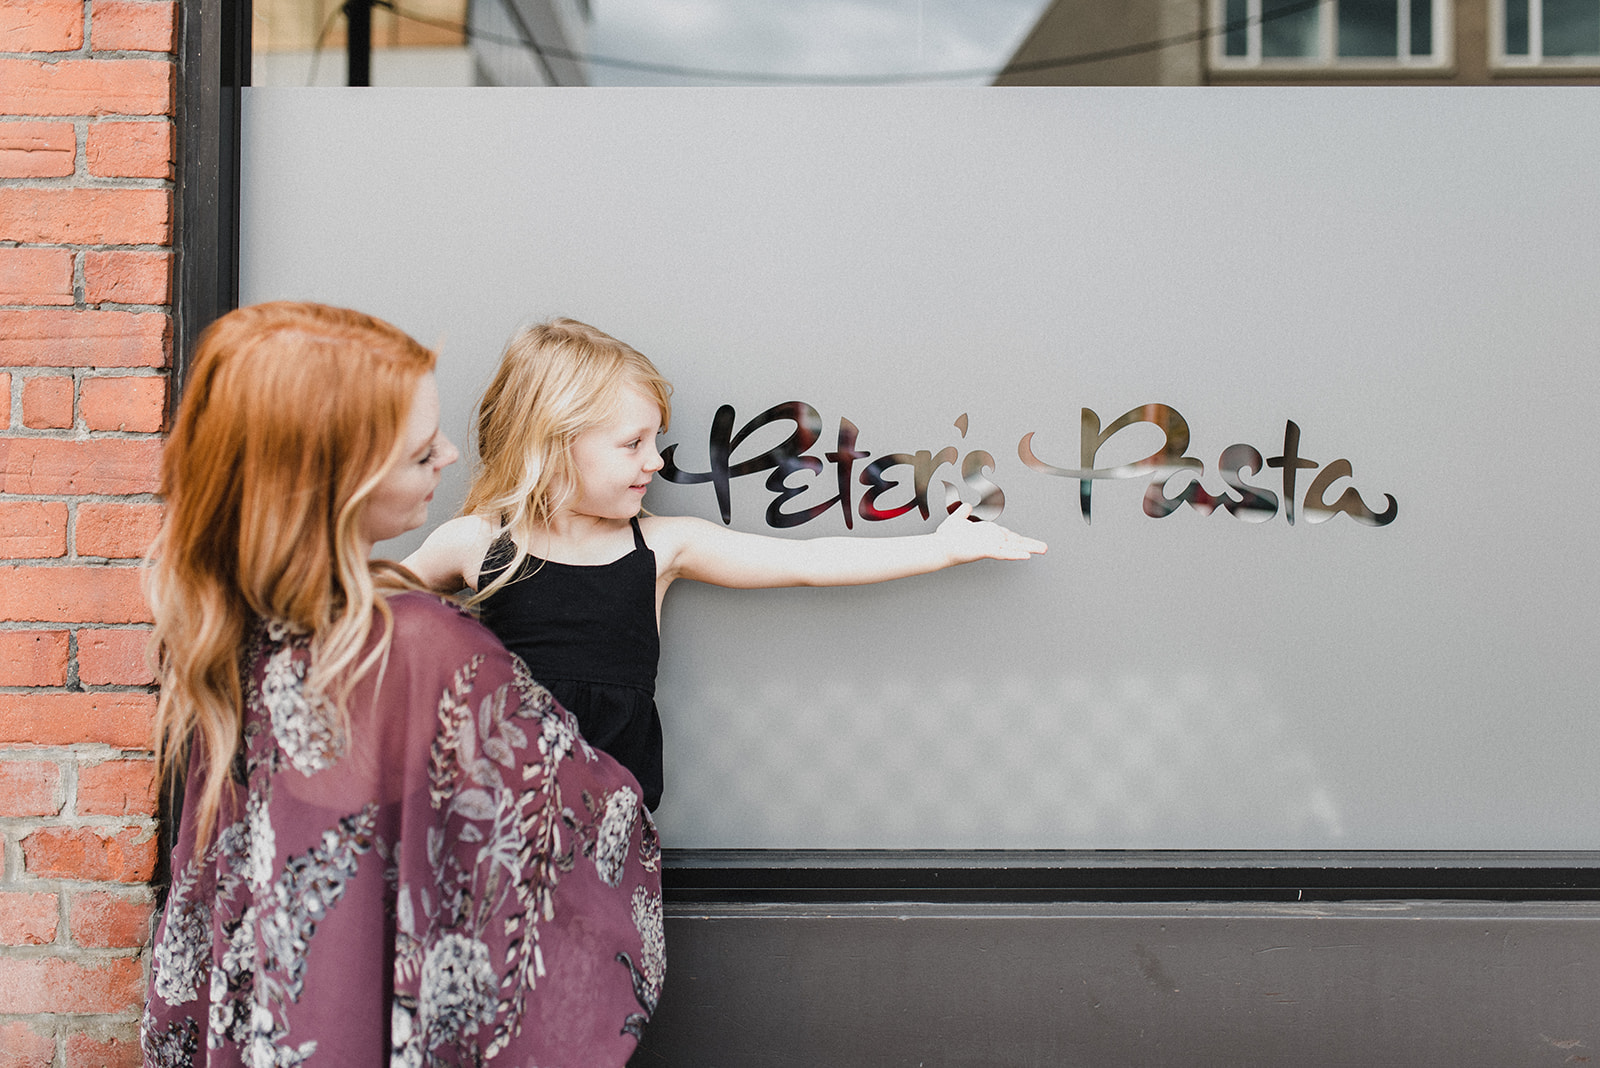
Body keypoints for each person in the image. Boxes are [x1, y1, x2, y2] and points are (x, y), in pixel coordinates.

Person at [142, 303, 662, 1068]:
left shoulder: (229, 639)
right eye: (422, 454)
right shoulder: (422, 646)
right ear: (341, 479)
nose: (452, 455)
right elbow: (594, 825)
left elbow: (204, 902)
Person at [404, 318, 1047, 811]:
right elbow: (368, 607)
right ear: (551, 445)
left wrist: (938, 547)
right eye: (632, 444)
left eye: (654, 439)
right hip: (492, 820)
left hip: (610, 827)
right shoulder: (477, 543)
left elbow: (807, 561)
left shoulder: (659, 547)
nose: (655, 460)